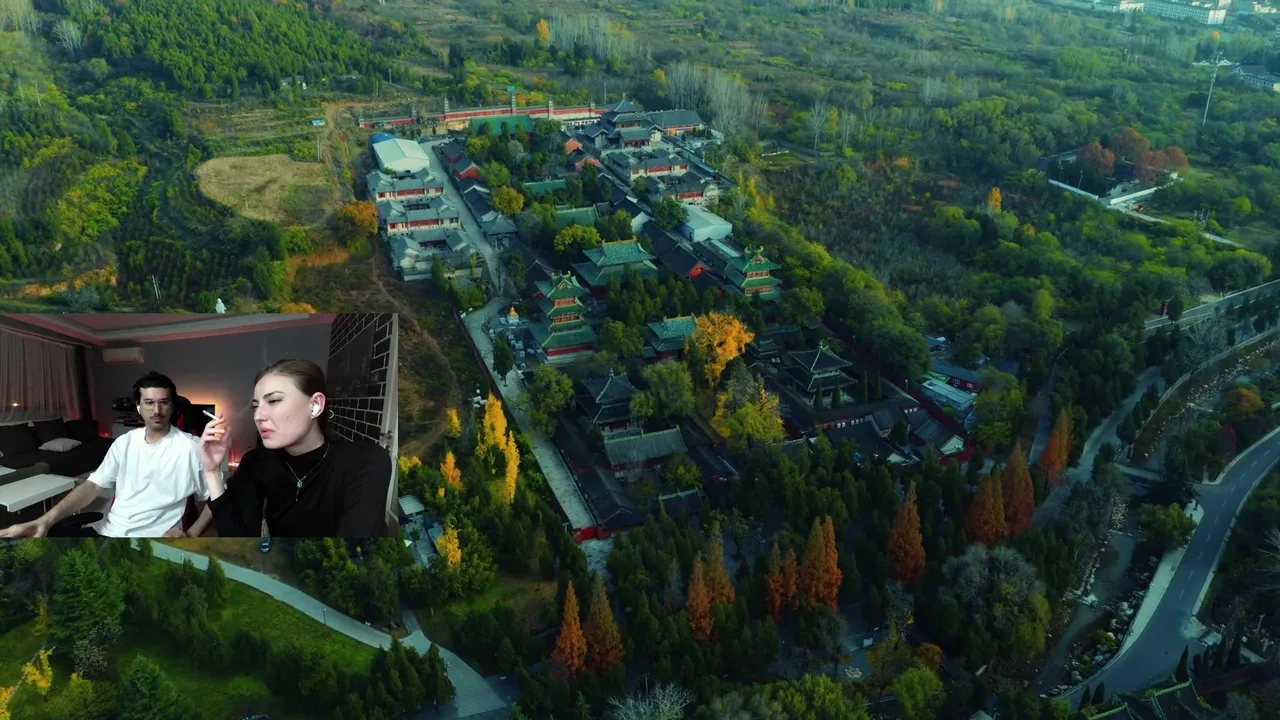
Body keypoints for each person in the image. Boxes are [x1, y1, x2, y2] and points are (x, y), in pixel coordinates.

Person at [0, 371, 211, 538]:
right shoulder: (124, 442)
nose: (157, 410)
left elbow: (216, 499)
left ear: (172, 406)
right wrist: (44, 520)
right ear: (138, 407)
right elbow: (92, 486)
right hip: (108, 532)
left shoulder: (191, 447)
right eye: (149, 403)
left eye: (164, 402)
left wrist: (191, 534)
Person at [199, 359, 392, 537]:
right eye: (255, 406)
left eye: (274, 401)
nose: (258, 416)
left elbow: (354, 555)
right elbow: (238, 542)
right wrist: (212, 472)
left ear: (315, 405)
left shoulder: (366, 462)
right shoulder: (256, 462)